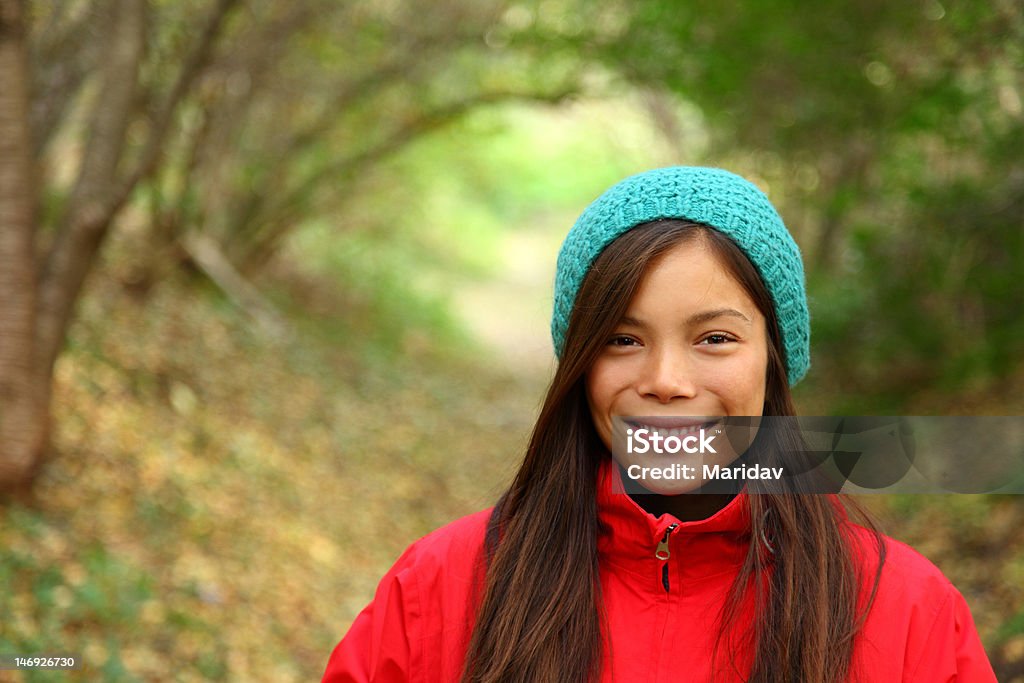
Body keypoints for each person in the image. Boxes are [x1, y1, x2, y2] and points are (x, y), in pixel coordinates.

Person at [321, 167, 997, 682]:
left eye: (715, 338)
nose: (666, 379)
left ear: (774, 359)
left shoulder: (906, 611)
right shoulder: (440, 587)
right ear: (580, 362)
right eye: (622, 338)